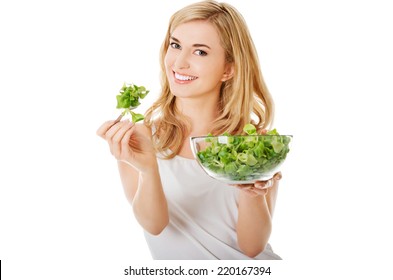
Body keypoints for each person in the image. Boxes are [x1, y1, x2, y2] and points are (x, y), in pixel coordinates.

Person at [97, 0, 283, 260]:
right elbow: (154, 225)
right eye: (175, 45)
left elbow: (252, 248)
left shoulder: (253, 144)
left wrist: (253, 193)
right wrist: (148, 168)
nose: (179, 62)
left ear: (228, 69)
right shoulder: (142, 138)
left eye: (200, 52)